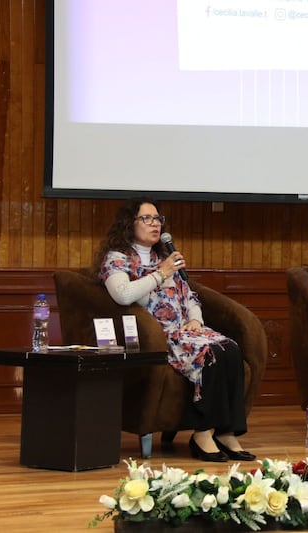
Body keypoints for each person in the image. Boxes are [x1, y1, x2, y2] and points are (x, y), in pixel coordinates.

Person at [94, 197, 254, 462]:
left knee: (231, 349)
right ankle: (202, 433)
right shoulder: (118, 259)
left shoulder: (165, 258)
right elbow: (122, 295)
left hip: (185, 330)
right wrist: (161, 273)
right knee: (211, 353)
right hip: (157, 336)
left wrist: (196, 320)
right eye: (146, 218)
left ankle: (226, 432)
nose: (154, 224)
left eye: (157, 219)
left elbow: (189, 296)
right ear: (129, 223)